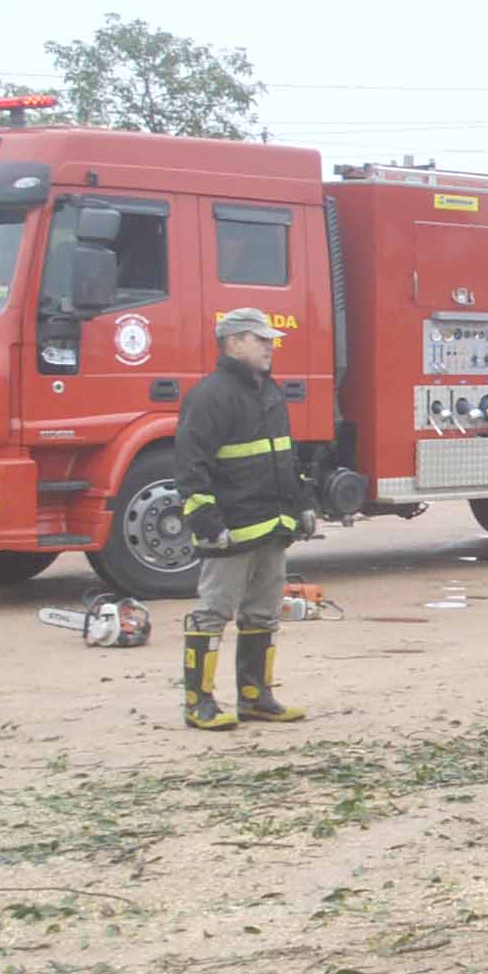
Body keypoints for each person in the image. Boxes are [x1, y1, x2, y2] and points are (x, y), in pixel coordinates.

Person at [177, 307, 317, 730]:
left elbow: (285, 457)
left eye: (270, 340)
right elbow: (191, 467)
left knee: (262, 613)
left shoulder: (268, 391)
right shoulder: (210, 396)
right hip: (230, 531)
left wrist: (301, 506)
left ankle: (255, 698)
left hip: (272, 526)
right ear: (234, 342)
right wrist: (207, 523)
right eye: (261, 339)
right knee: (213, 612)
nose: (270, 346)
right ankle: (198, 703)